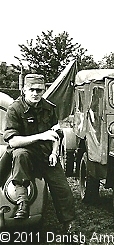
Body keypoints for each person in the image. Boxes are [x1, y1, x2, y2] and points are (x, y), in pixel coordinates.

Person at [4, 74, 76, 233]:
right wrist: (40, 136)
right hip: (25, 155)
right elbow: (12, 142)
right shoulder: (15, 109)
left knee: (63, 190)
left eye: (40, 90)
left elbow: (56, 133)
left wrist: (54, 152)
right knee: (20, 154)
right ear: (24, 90)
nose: (36, 93)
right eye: (32, 90)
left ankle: (69, 226)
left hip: (46, 154)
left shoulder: (49, 108)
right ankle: (22, 203)